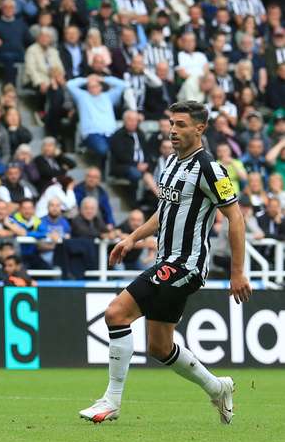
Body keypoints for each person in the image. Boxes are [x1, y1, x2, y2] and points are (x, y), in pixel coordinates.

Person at [80, 101, 251, 425]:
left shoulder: (210, 169)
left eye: (181, 124)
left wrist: (238, 272)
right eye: (172, 123)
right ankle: (218, 387)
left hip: (186, 265)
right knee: (160, 347)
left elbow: (235, 218)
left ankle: (111, 401)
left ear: (200, 128)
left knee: (116, 313)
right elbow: (165, 213)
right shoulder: (171, 163)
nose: (173, 130)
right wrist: (132, 238)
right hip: (165, 260)